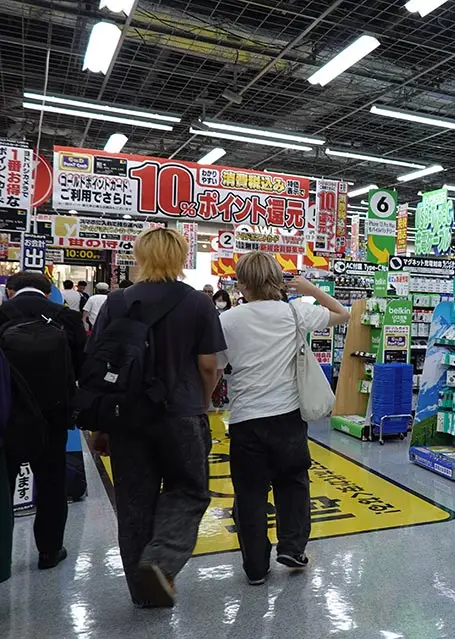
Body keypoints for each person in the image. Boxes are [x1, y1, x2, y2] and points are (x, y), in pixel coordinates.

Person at [89, 228, 225, 608]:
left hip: (127, 416)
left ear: (140, 256)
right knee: (189, 490)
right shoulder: (198, 303)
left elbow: (101, 367)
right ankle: (161, 561)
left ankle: (143, 592)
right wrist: (201, 401)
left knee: (134, 501)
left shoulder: (116, 302)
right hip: (181, 413)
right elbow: (209, 365)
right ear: (181, 257)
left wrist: (101, 426)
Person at [215, 252, 348, 585]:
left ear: (242, 284)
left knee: (250, 494)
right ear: (277, 280)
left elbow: (216, 367)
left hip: (245, 419)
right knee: (292, 483)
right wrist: (310, 288)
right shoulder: (295, 312)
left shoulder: (227, 320)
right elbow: (342, 313)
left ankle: (255, 566)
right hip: (287, 416)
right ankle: (292, 547)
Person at [0, 271, 86, 570]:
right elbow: (81, 366)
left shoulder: (2, 314)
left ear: (10, 291)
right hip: (54, 413)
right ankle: (50, 551)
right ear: (48, 293)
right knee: (52, 481)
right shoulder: (66, 317)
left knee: (4, 483)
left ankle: (3, 555)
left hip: (7, 415)